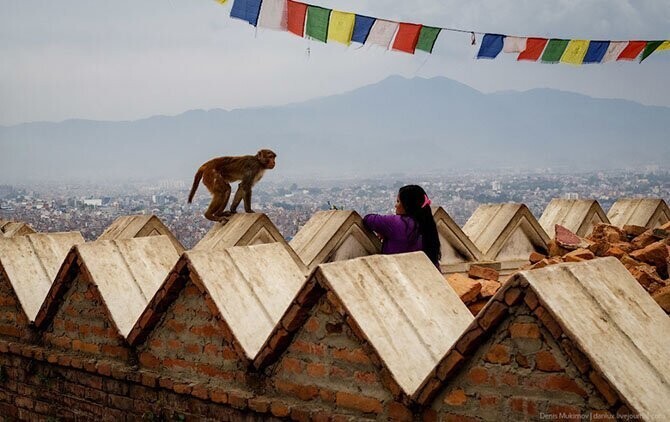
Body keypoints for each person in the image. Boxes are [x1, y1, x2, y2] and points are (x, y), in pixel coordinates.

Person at [363, 184, 441, 267]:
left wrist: (384, 229)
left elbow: (368, 219)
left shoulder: (397, 223)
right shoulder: (428, 225)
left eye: (398, 201)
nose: (395, 205)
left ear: (407, 205)